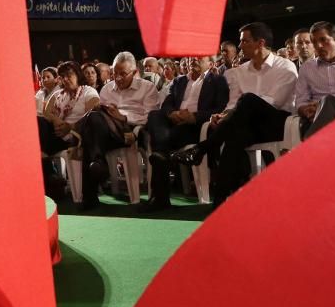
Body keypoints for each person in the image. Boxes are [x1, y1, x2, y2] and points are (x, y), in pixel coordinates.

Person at [174, 23, 298, 206]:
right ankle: (220, 202)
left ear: (260, 43)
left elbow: (274, 102)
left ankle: (203, 148)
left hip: (277, 122)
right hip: (245, 124)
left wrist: (231, 114)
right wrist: (224, 114)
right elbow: (233, 103)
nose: (240, 47)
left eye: (244, 41)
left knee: (248, 101)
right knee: (234, 137)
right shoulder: (240, 71)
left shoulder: (285, 67)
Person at [144, 56, 229, 210]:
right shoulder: (179, 81)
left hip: (196, 126)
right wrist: (172, 114)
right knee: (154, 115)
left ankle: (159, 197)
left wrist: (194, 117)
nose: (193, 59)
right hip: (174, 123)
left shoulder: (217, 81)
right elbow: (167, 103)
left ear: (210, 63)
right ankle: (162, 154)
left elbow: (220, 108)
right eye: (191, 56)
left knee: (159, 149)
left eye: (199, 56)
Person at [78, 52, 158, 208]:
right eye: (115, 74)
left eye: (123, 74)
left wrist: (123, 117)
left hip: (134, 130)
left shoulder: (147, 88)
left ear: (134, 73)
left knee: (91, 129)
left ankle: (92, 188)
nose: (118, 78)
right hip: (109, 131)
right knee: (93, 121)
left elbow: (150, 117)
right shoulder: (107, 89)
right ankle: (98, 162)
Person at [37, 61, 100, 198]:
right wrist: (57, 120)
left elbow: (92, 114)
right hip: (59, 134)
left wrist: (70, 127)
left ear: (78, 75)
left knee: (91, 121)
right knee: (39, 121)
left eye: (69, 75)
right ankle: (49, 173)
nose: (65, 79)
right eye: (62, 76)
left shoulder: (88, 91)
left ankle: (51, 177)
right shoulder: (58, 94)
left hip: (78, 135)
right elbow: (46, 112)